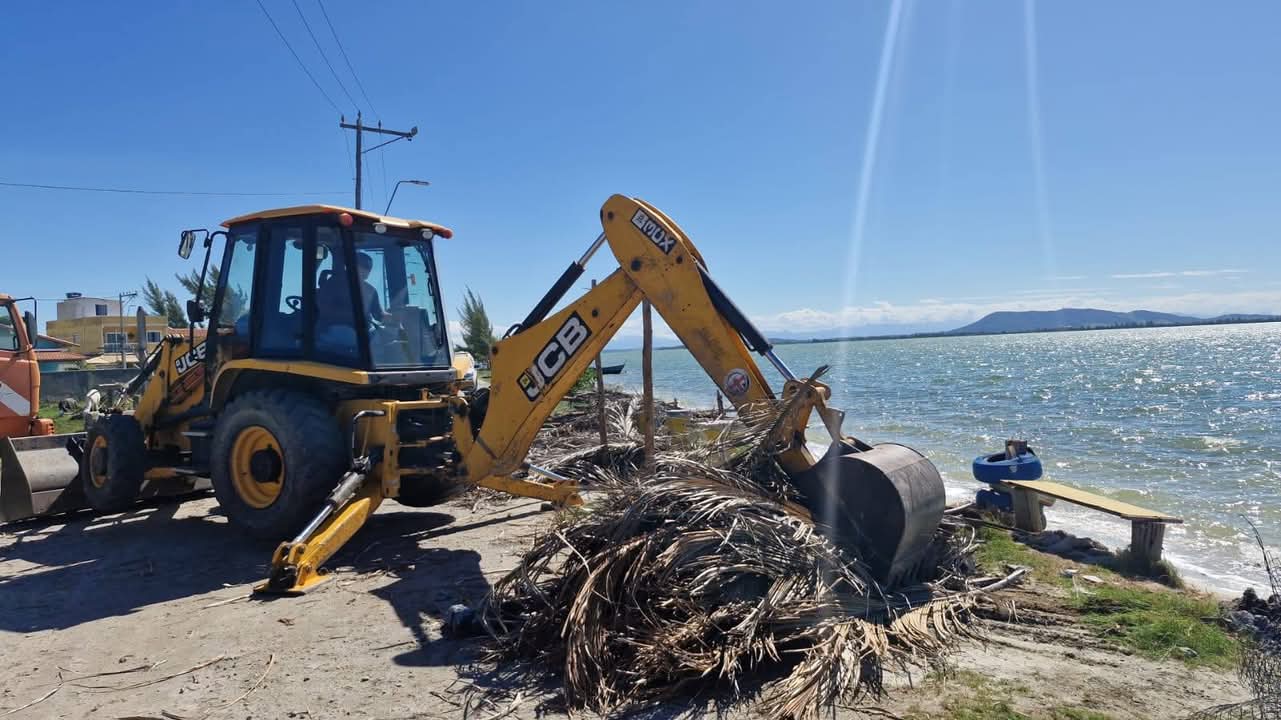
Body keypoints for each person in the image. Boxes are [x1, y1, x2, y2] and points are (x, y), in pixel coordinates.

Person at [356, 252, 387, 325]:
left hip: (366, 330)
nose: (367, 270)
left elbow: (378, 314)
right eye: (364, 266)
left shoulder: (371, 290)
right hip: (337, 329)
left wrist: (394, 319)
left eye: (369, 267)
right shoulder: (334, 284)